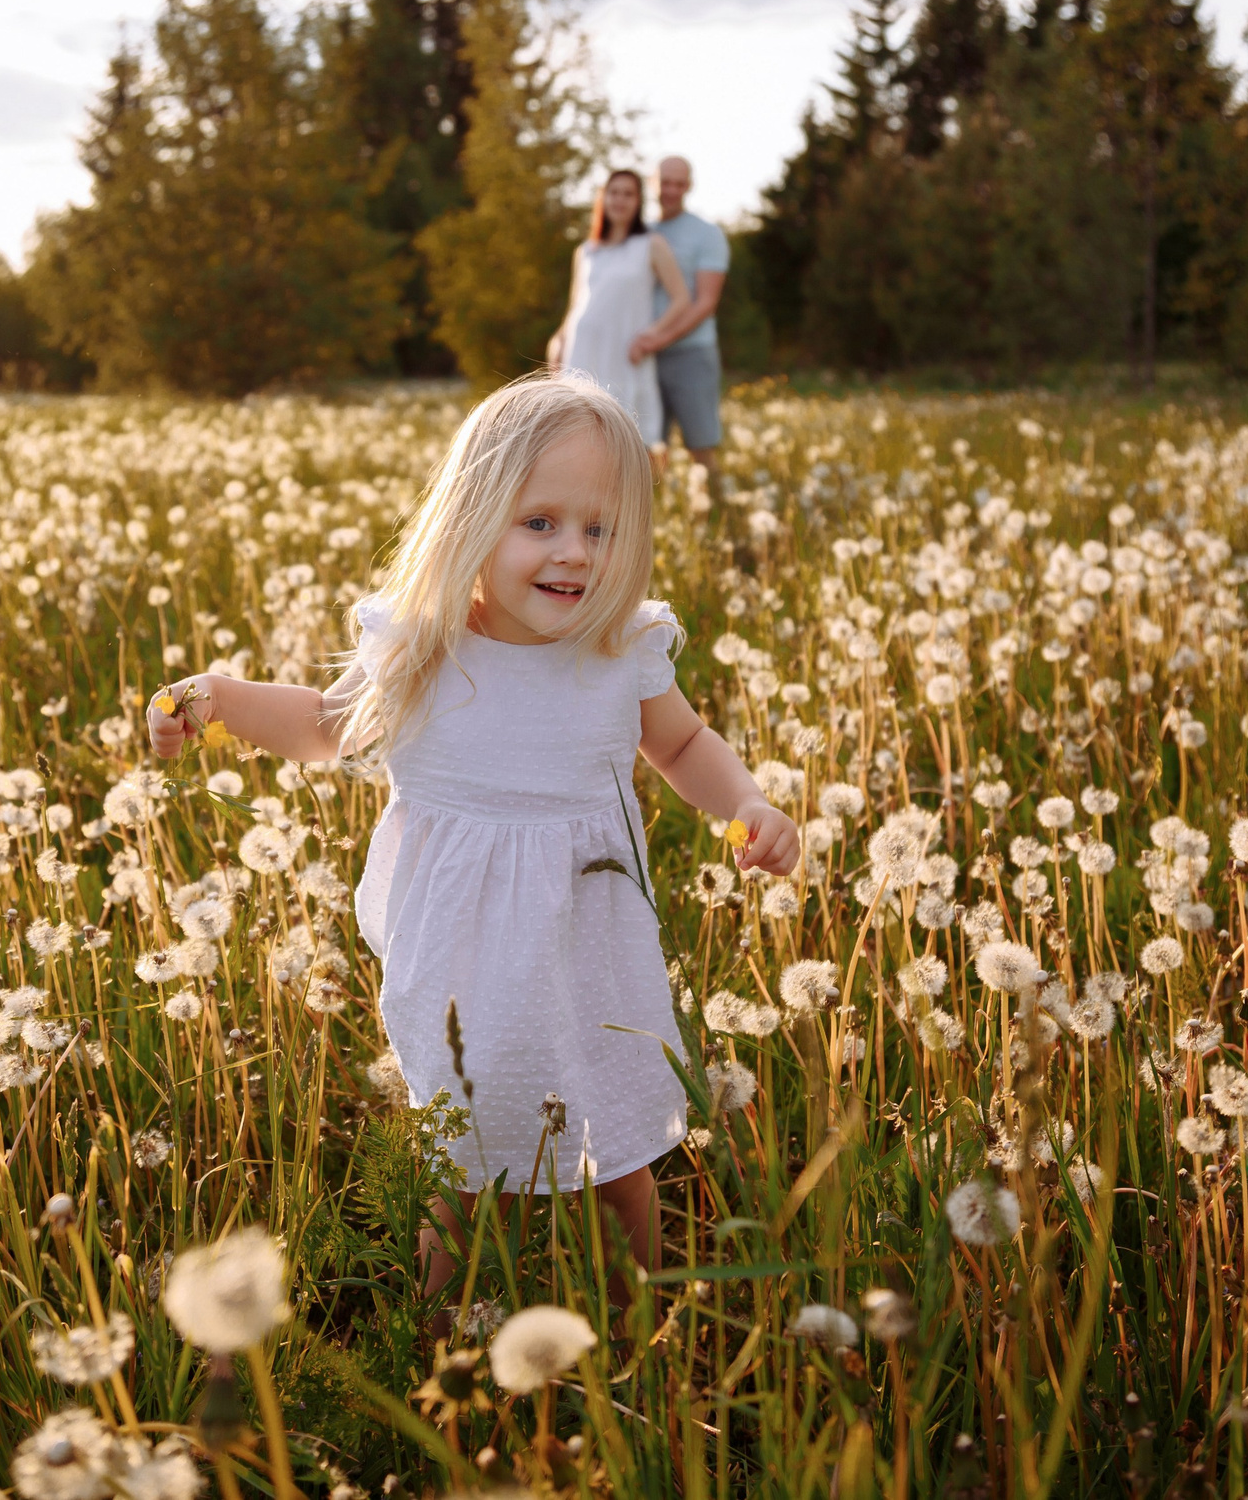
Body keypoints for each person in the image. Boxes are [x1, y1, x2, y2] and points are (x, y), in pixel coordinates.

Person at [145, 374, 800, 1314]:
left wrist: (747, 808)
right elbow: (323, 725)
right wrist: (216, 696)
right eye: (540, 522)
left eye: (602, 528)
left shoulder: (621, 648)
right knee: (460, 1164)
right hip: (461, 965)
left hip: (590, 949)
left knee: (617, 1158)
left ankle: (638, 1332)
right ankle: (437, 1334)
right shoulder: (423, 647)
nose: (574, 551)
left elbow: (685, 747)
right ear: (472, 518)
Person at [546, 168, 692, 467]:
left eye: (628, 194)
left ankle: (651, 494)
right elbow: (576, 307)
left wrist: (651, 336)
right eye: (614, 193)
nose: (620, 200)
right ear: (603, 198)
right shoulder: (586, 251)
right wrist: (557, 342)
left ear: (638, 201)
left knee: (635, 436)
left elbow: (681, 299)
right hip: (581, 354)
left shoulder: (651, 245)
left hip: (624, 354)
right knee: (579, 432)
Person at [629, 156, 729, 470]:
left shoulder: (707, 234)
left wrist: (660, 339)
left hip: (691, 355)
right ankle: (659, 501)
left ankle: (714, 499)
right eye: (665, 182)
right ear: (652, 183)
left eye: (679, 183)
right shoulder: (638, 233)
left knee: (701, 445)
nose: (671, 190)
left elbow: (705, 303)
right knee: (646, 447)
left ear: (689, 186)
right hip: (644, 357)